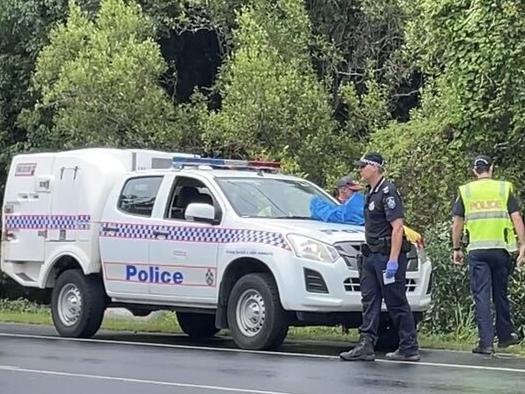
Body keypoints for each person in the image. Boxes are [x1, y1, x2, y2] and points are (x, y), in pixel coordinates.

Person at [340, 153, 420, 362]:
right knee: (369, 301)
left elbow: (397, 228)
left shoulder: (388, 192)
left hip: (386, 256)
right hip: (371, 255)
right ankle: (366, 344)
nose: (360, 170)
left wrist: (393, 260)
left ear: (375, 168)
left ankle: (409, 347)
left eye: (363, 166)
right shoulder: (371, 193)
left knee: (395, 301)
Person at [452, 155, 525, 354]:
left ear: (474, 171)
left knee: (482, 295)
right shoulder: (503, 188)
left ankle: (485, 343)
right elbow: (517, 217)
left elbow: (457, 222)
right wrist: (523, 244)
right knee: (500, 292)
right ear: (491, 169)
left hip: (477, 250)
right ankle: (505, 335)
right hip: (501, 249)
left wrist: (456, 248)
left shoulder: (466, 191)